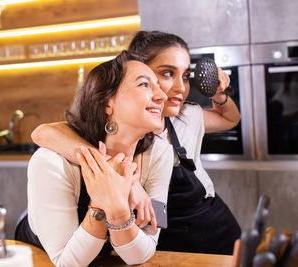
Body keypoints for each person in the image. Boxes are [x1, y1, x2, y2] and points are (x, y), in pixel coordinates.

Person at [31, 31, 242, 254]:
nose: (180, 87)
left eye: (186, 75)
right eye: (168, 73)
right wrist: (117, 176)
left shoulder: (186, 116)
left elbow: (231, 119)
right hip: (166, 238)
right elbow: (43, 132)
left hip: (211, 223)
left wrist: (220, 95)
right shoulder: (119, 129)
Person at [15, 51, 173, 266]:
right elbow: (67, 262)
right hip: (40, 255)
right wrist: (101, 201)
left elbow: (141, 254)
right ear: (108, 103)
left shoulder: (159, 153)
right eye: (144, 85)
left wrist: (117, 209)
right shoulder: (51, 162)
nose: (162, 96)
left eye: (158, 85)